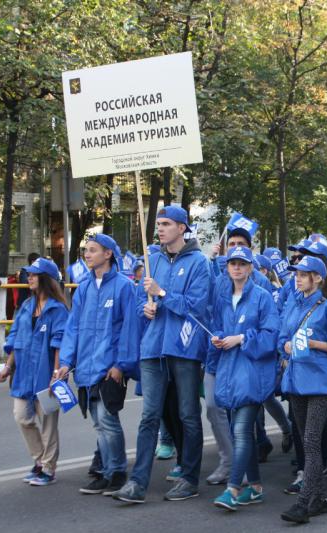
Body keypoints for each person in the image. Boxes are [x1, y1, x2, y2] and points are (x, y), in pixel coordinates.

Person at [113, 205, 211, 504]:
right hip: (153, 347)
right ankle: (137, 482)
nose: (160, 229)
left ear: (182, 228)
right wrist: (148, 307)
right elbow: (143, 304)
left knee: (188, 415)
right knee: (149, 416)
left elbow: (197, 307)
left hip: (184, 348)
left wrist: (164, 295)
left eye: (166, 224)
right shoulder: (151, 258)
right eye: (158, 224)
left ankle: (189, 479)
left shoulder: (199, 263)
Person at [57, 234, 140, 496]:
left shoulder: (125, 287)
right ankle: (106, 472)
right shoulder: (83, 288)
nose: (87, 254)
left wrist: (121, 364)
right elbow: (73, 328)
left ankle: (116, 472)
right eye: (86, 250)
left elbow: (130, 329)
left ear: (108, 254)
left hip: (109, 367)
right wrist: (65, 361)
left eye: (93, 250)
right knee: (98, 423)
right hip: (86, 368)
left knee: (107, 420)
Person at [278, 256, 327, 524]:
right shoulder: (292, 304)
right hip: (296, 381)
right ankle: (319, 499)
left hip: (320, 382)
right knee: (305, 440)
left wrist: (314, 344)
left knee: (310, 441)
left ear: (318, 278)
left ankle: (303, 503)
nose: (297, 277)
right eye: (296, 273)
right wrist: (285, 346)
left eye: (304, 273)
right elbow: (282, 337)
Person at [210, 246, 280, 511]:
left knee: (240, 431)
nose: (237, 268)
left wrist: (241, 338)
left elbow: (271, 336)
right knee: (242, 434)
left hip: (252, 374)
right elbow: (217, 327)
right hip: (229, 373)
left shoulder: (263, 297)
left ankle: (233, 488)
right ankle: (257, 487)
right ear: (227, 268)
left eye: (242, 263)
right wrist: (216, 339)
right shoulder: (223, 297)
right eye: (232, 264)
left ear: (250, 268)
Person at [0, 258, 68, 486]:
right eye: (29, 274)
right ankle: (39, 460)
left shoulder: (58, 310)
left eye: (34, 275)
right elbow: (15, 338)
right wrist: (8, 366)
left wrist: (56, 372)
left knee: (48, 424)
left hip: (46, 374)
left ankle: (48, 468)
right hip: (23, 374)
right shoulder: (26, 306)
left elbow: (59, 343)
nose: (30, 278)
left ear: (46, 279)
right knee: (22, 417)